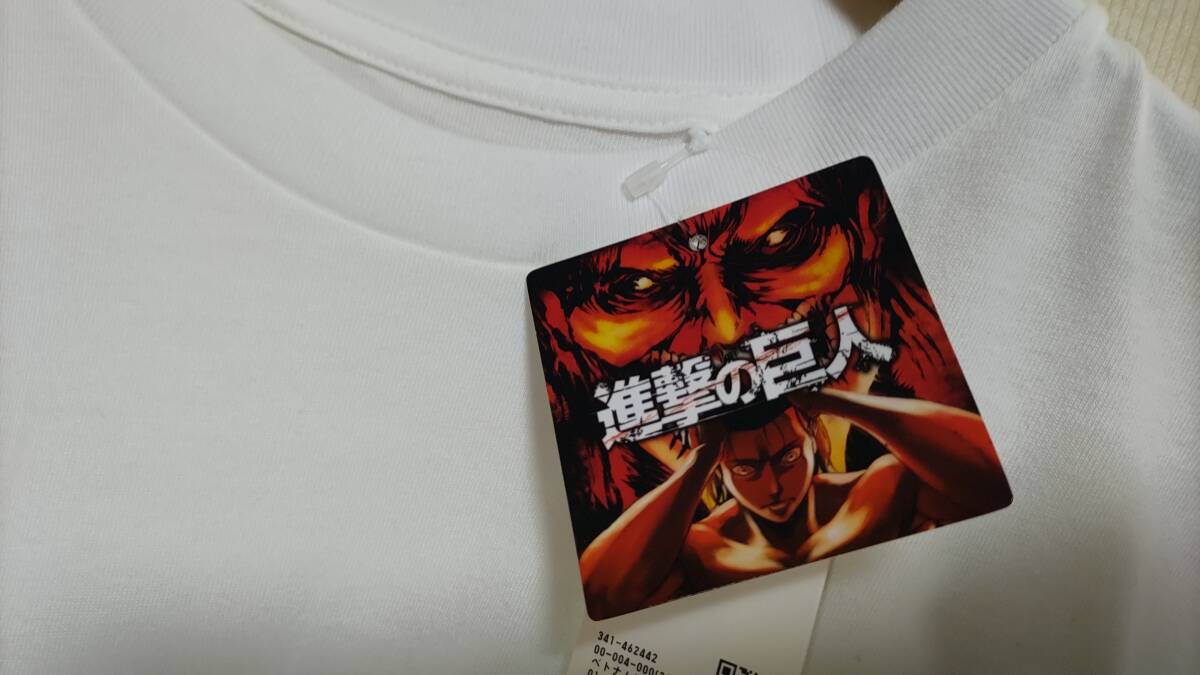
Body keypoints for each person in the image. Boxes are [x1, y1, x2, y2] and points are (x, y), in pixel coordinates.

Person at [578, 388, 1012, 619]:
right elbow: (598, 597)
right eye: (746, 469)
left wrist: (832, 401)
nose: (773, 486)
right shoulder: (699, 548)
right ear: (722, 473)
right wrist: (700, 461)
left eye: (788, 458)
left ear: (813, 440)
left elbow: (997, 478)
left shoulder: (882, 489)